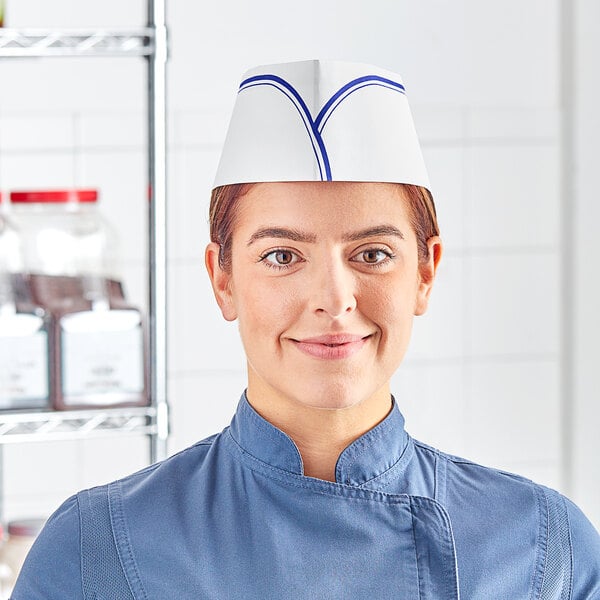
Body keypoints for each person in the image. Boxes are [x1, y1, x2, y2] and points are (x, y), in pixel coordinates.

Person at [12, 60, 600, 599]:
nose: (333, 301)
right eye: (282, 256)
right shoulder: (97, 551)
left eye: (372, 254)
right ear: (223, 280)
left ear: (425, 273)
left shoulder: (543, 546)